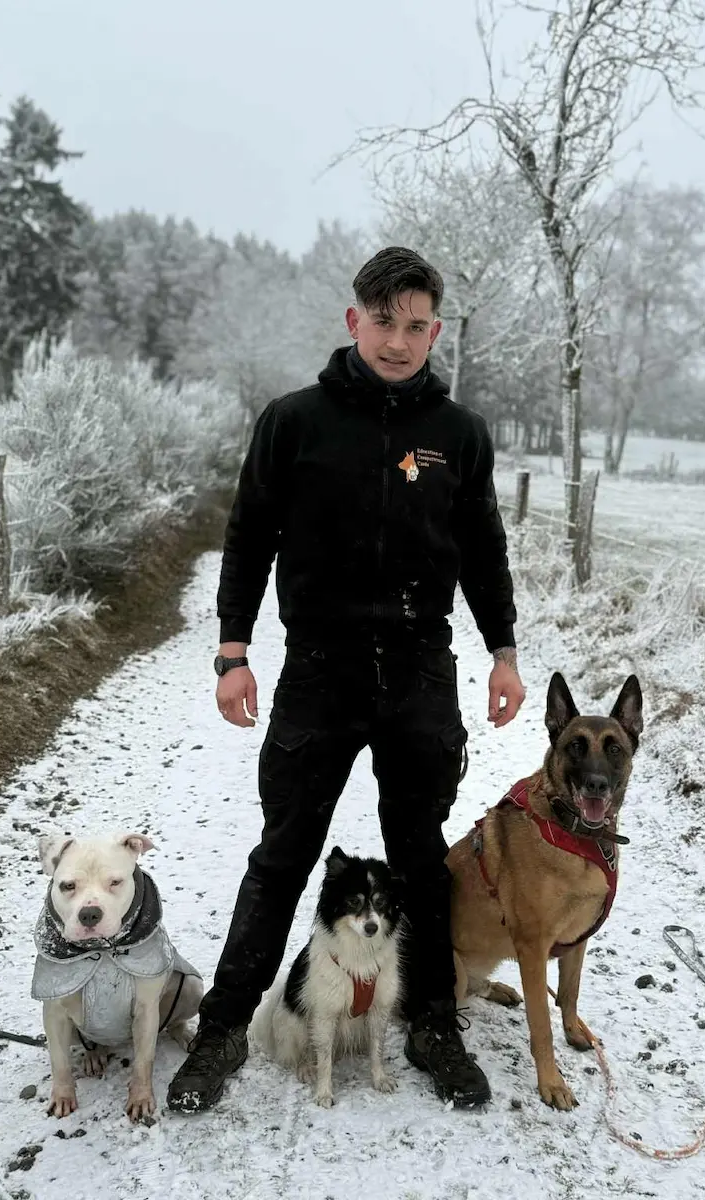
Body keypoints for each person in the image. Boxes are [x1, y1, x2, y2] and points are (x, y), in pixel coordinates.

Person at [166, 245, 525, 1114]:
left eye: (416, 325)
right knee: (284, 855)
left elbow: (483, 551)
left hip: (418, 674)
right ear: (352, 318)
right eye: (383, 320)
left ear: (435, 330)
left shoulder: (459, 436)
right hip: (318, 674)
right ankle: (221, 1033)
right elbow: (249, 536)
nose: (399, 341)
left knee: (419, 861)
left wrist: (505, 651)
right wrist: (232, 650)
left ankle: (435, 1024)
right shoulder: (295, 421)